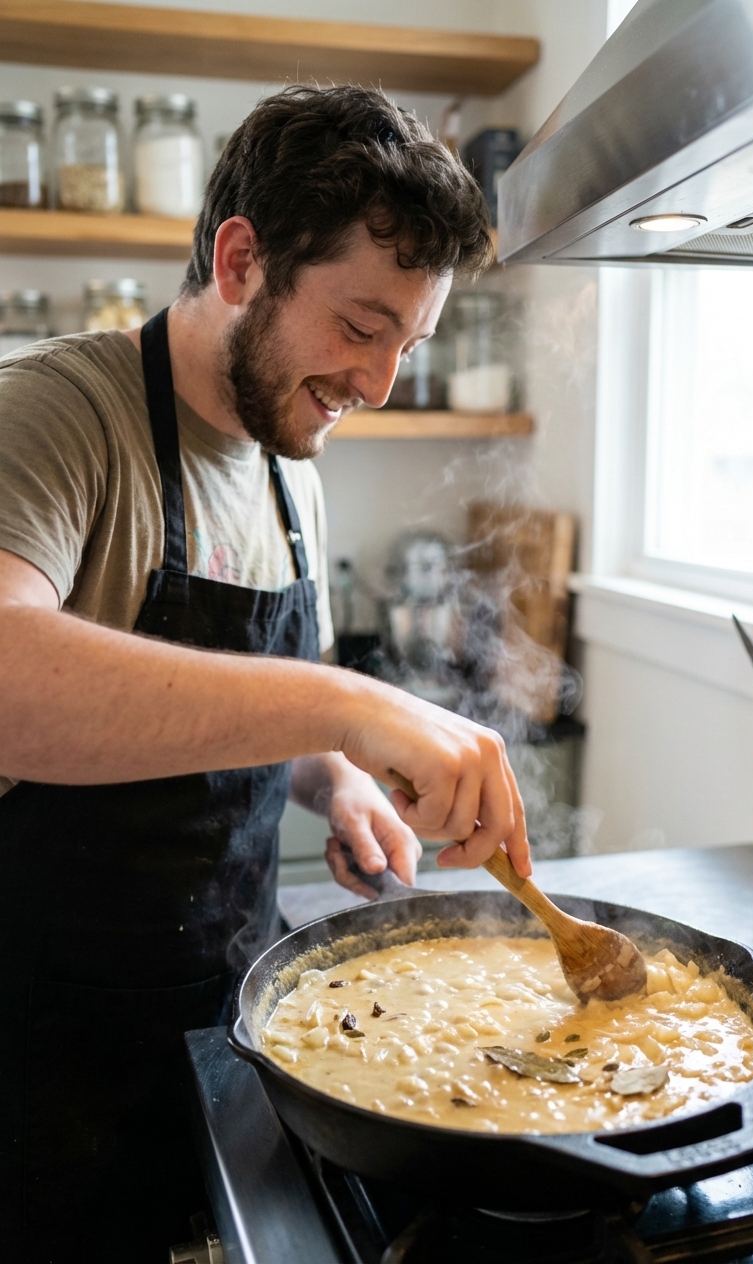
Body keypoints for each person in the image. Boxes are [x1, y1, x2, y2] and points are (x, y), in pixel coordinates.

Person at [0, 84, 529, 1261]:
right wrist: (351, 703)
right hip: (36, 1061)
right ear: (243, 259)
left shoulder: (294, 463)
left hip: (229, 1029)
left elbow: (250, 713)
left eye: (410, 342)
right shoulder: (58, 413)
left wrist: (334, 778)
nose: (382, 381)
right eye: (360, 324)